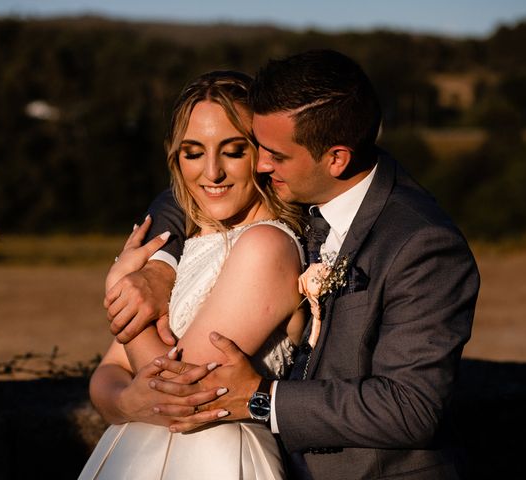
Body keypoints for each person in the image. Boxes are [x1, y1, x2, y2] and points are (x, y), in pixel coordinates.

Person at [104, 50, 481, 480]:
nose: (261, 166)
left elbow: (411, 409)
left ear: (336, 158)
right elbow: (186, 190)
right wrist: (157, 265)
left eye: (273, 155)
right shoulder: (308, 193)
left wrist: (262, 397)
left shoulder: (420, 243)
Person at [79, 71, 307, 479]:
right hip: (132, 456)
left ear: (263, 153)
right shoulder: (182, 242)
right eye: (193, 152)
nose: (212, 172)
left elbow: (186, 392)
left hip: (218, 458)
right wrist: (126, 402)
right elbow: (107, 373)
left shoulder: (267, 246)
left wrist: (118, 287)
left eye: (234, 151)